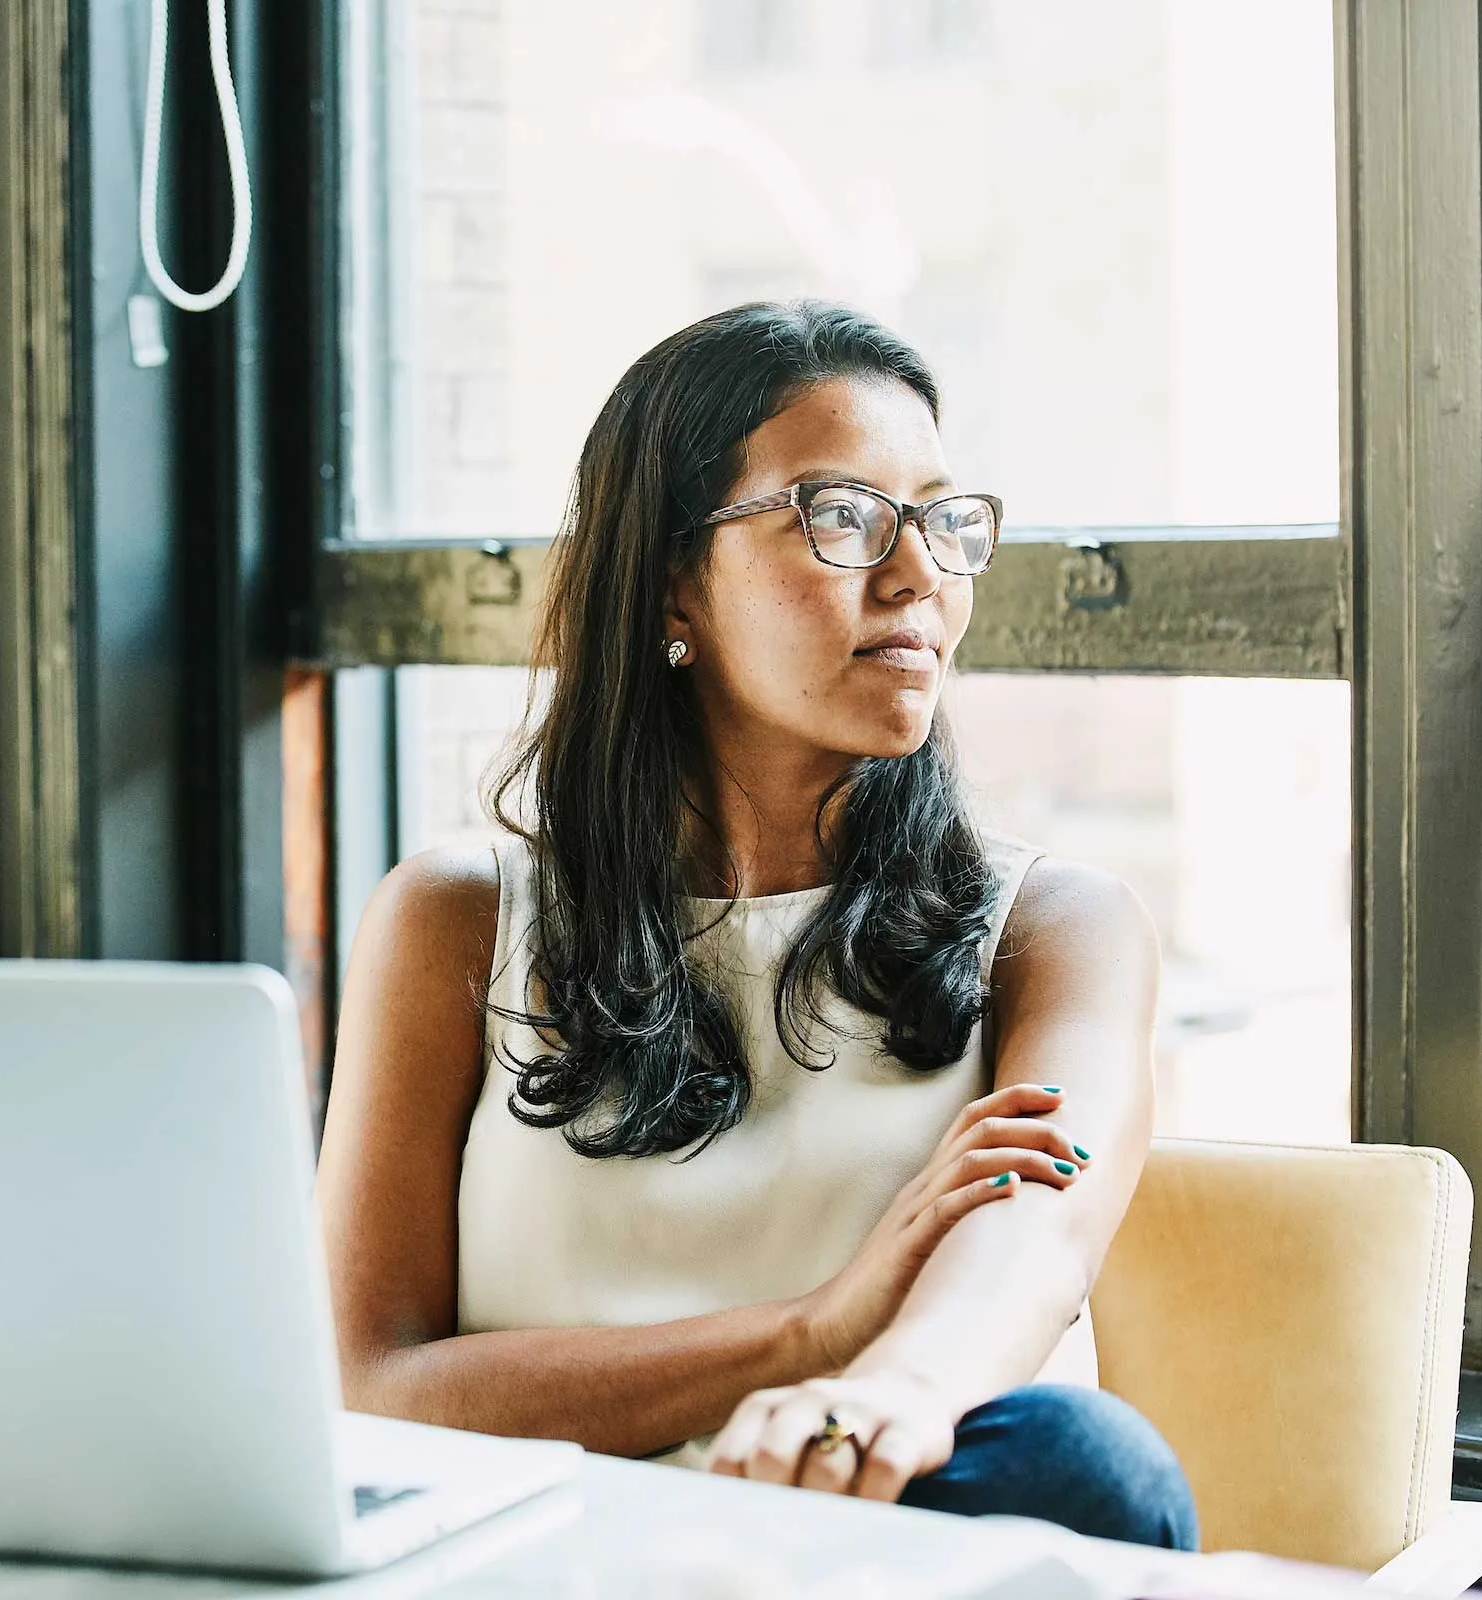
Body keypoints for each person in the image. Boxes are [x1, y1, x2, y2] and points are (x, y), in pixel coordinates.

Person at [316, 300, 1197, 1550]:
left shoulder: (1054, 927)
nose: (919, 574)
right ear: (676, 576)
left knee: (1080, 1464)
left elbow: (1037, 1236)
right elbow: (370, 1388)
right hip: (553, 1563)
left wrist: (888, 1384)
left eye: (945, 520)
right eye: (840, 515)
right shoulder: (456, 920)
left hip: (867, 1535)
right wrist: (812, 1332)